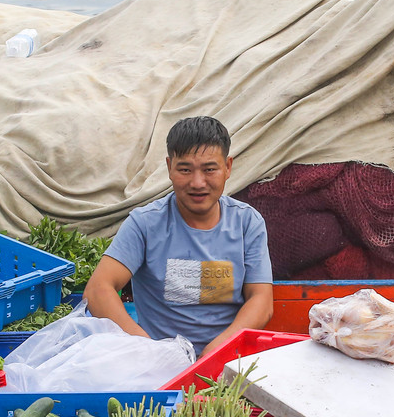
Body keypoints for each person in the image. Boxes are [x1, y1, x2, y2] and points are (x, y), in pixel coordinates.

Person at [84, 116, 273, 359]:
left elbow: (261, 301)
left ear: (227, 167)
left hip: (228, 358)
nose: (197, 182)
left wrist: (216, 352)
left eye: (209, 169)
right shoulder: (144, 224)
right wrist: (151, 351)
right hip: (158, 365)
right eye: (185, 169)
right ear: (169, 167)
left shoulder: (248, 223)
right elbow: (98, 290)